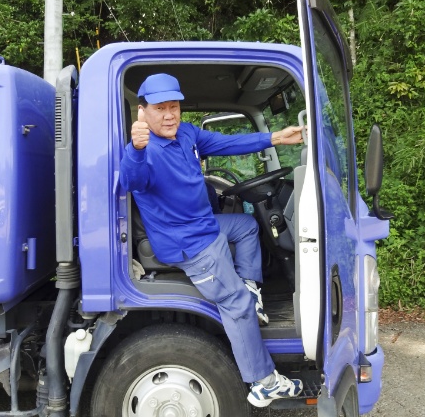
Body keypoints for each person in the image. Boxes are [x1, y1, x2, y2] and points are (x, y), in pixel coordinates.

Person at [120, 73, 305, 408]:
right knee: (235, 305)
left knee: (247, 226)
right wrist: (135, 147)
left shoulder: (187, 133)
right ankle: (263, 382)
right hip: (186, 243)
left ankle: (250, 287)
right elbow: (131, 181)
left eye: (173, 106)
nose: (169, 114)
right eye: (160, 108)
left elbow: (225, 143)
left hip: (205, 225)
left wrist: (277, 137)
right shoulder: (144, 152)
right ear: (142, 112)